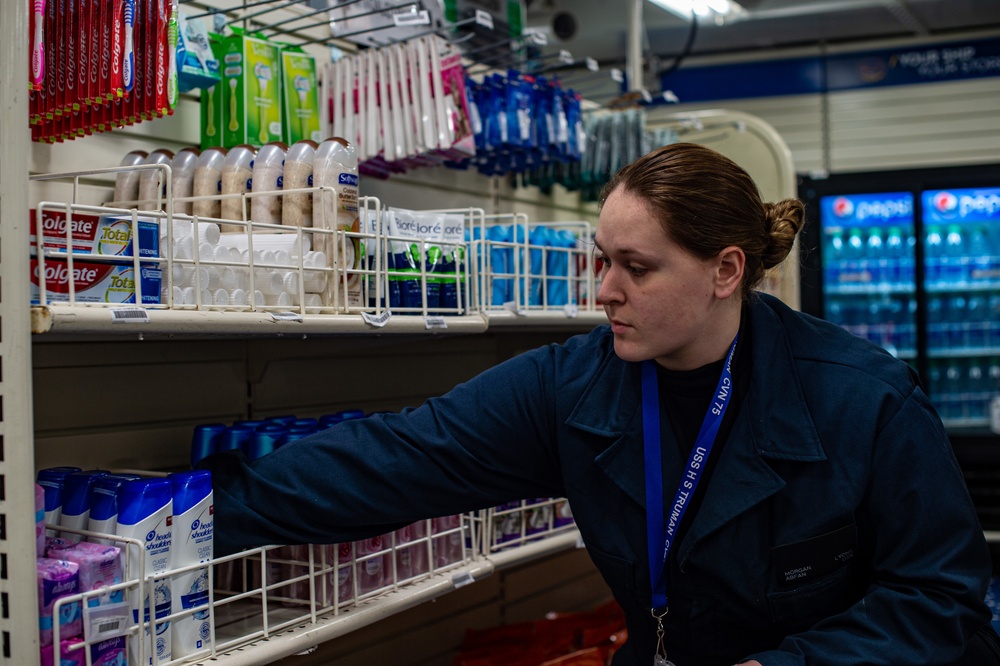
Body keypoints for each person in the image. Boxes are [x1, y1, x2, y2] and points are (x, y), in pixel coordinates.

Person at [200, 142, 999, 665]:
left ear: (725, 272)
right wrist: (176, 517)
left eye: (637, 268)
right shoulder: (572, 385)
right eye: (602, 260)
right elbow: (389, 464)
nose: (604, 290)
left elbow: (937, 599)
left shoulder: (864, 399)